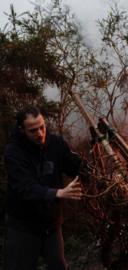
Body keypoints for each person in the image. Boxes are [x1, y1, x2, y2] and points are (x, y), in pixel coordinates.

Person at [4, 106, 82, 270]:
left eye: (42, 127)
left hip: (51, 225)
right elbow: (25, 188)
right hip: (23, 227)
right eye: (33, 130)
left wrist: (95, 151)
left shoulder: (56, 143)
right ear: (22, 130)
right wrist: (57, 193)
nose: (40, 133)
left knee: (59, 266)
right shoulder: (14, 152)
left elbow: (74, 168)